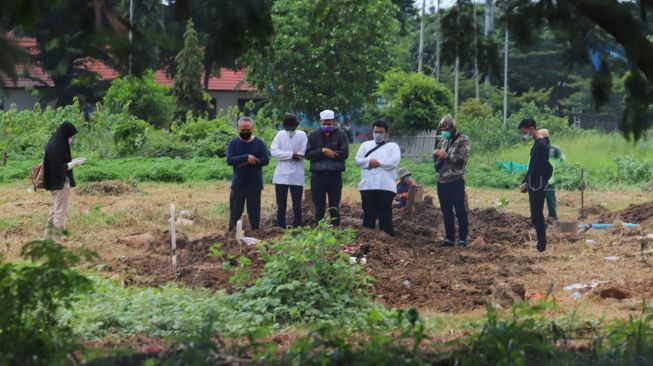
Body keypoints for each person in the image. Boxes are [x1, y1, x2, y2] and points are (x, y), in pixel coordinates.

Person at [355, 119, 401, 236]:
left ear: (386, 133)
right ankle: (366, 238)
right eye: (376, 132)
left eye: (381, 132)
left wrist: (378, 163)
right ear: (372, 132)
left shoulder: (393, 146)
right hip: (368, 185)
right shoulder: (365, 145)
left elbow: (393, 162)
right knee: (368, 213)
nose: (378, 134)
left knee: (385, 214)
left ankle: (387, 239)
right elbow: (358, 160)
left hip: (386, 186)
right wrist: (369, 162)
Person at [43, 121, 85, 244]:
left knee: (54, 212)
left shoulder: (53, 143)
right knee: (61, 213)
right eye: (70, 137)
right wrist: (74, 164)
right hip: (60, 183)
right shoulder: (57, 146)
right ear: (65, 135)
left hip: (53, 183)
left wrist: (73, 161)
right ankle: (57, 243)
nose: (71, 140)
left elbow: (57, 163)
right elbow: (58, 167)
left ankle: (47, 240)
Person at [305, 109, 349, 226]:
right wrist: (322, 151)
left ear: (333, 122)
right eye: (324, 123)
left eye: (329, 123)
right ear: (320, 122)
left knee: (334, 206)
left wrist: (332, 153)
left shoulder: (341, 135)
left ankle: (335, 229)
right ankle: (319, 229)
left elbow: (345, 154)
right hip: (317, 176)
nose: (326, 125)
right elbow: (308, 154)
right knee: (319, 207)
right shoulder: (313, 135)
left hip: (334, 176)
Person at [227, 116, 269, 231]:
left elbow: (266, 160)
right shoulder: (233, 143)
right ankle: (232, 236)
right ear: (238, 129)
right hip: (238, 184)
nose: (245, 132)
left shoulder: (259, 143)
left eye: (248, 129)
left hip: (254, 185)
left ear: (252, 128)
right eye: (243, 130)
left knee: (254, 214)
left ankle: (256, 235)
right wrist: (246, 157)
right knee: (235, 213)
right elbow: (230, 160)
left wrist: (254, 160)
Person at [433, 115, 471, 247]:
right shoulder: (443, 140)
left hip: (455, 180)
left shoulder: (463, 140)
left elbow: (462, 158)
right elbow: (436, 157)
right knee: (446, 211)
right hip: (442, 181)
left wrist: (447, 155)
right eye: (442, 129)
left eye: (446, 129)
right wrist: (437, 153)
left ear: (453, 128)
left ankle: (462, 239)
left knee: (460, 210)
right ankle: (449, 238)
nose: (444, 131)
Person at [518, 118, 553, 252]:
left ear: (531, 129)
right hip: (535, 183)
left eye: (524, 132)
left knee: (537, 215)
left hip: (538, 185)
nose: (524, 135)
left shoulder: (541, 145)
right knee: (535, 215)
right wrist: (525, 181)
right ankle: (541, 244)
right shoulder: (538, 144)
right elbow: (531, 167)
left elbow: (537, 168)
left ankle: (541, 246)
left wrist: (527, 183)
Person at [270, 114, 307, 228]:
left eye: (293, 127)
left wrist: (287, 155)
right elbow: (274, 151)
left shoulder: (302, 135)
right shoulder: (280, 134)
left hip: (297, 175)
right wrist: (291, 155)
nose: (290, 129)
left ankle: (298, 227)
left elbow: (303, 152)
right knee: (281, 206)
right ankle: (281, 228)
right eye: (288, 127)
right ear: (284, 126)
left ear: (296, 125)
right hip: (281, 175)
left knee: (297, 205)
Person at [538, 129, 566, 221]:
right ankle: (546, 218)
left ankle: (552, 219)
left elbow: (563, 159)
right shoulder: (538, 148)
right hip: (541, 180)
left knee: (547, 201)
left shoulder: (553, 148)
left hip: (545, 180)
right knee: (543, 201)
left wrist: (554, 167)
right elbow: (530, 162)